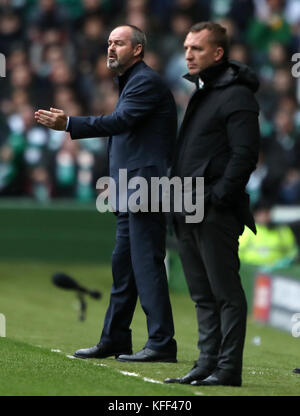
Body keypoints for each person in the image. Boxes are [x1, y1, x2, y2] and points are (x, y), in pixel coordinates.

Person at [35, 24, 178, 363]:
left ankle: (161, 343)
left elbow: (120, 121)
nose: (111, 48)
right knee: (124, 268)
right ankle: (115, 339)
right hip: (130, 190)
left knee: (146, 266)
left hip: (147, 189)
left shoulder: (145, 81)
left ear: (138, 49)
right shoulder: (131, 81)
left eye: (119, 43)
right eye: (108, 42)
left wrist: (70, 123)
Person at [164, 22, 260, 386]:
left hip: (214, 210)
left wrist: (219, 196)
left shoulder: (236, 96)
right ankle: (207, 363)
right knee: (202, 294)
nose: (188, 54)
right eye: (187, 47)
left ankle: (227, 368)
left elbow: (245, 155)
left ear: (218, 53)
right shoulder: (204, 91)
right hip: (187, 206)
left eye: (197, 49)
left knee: (225, 293)